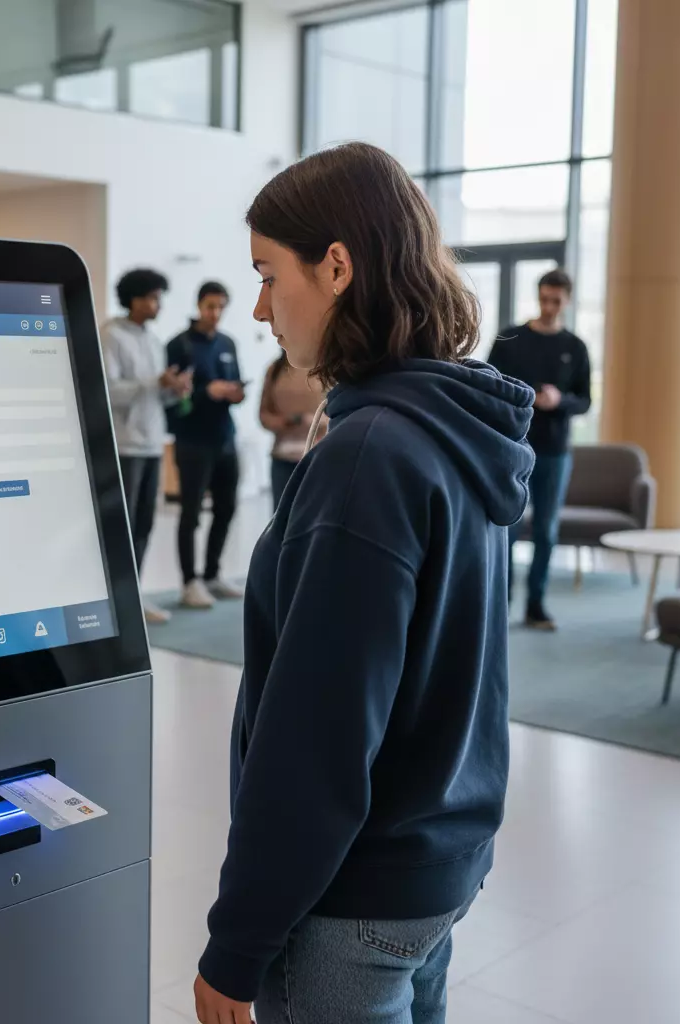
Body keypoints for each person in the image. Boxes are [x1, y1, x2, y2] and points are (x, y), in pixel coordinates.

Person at [192, 142, 535, 1024]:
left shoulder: (370, 456)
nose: (262, 308)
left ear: (337, 266)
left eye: (271, 275)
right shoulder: (452, 425)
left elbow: (319, 739)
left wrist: (237, 946)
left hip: (354, 899)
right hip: (437, 864)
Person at [487, 269, 592, 631]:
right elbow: (488, 385)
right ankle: (499, 602)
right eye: (544, 299)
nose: (549, 307)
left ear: (567, 301)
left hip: (555, 451)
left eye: (556, 301)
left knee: (546, 531)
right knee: (508, 527)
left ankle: (536, 606)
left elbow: (585, 402)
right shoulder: (511, 338)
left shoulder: (575, 347)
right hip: (513, 447)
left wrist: (560, 399)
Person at [101, 269, 192, 625]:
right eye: (152, 297)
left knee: (143, 526)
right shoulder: (111, 335)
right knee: (121, 529)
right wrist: (155, 382)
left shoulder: (154, 340)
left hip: (153, 444)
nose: (158, 305)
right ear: (133, 298)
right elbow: (107, 391)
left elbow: (155, 398)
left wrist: (173, 389)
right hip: (125, 446)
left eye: (160, 297)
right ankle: (115, 602)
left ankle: (133, 597)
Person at [166, 282, 246, 609]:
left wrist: (235, 393)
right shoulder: (179, 345)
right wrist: (205, 392)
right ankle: (190, 581)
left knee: (227, 508)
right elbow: (172, 396)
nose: (215, 313)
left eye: (221, 307)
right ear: (199, 305)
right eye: (210, 306)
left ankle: (212, 574)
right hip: (192, 441)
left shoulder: (228, 343)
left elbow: (238, 385)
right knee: (191, 513)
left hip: (225, 438)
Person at [259, 351, 326, 509]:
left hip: (317, 458)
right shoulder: (276, 369)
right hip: (283, 457)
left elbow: (341, 413)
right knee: (281, 520)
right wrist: (285, 421)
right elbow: (264, 414)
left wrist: (313, 421)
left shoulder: (327, 367)